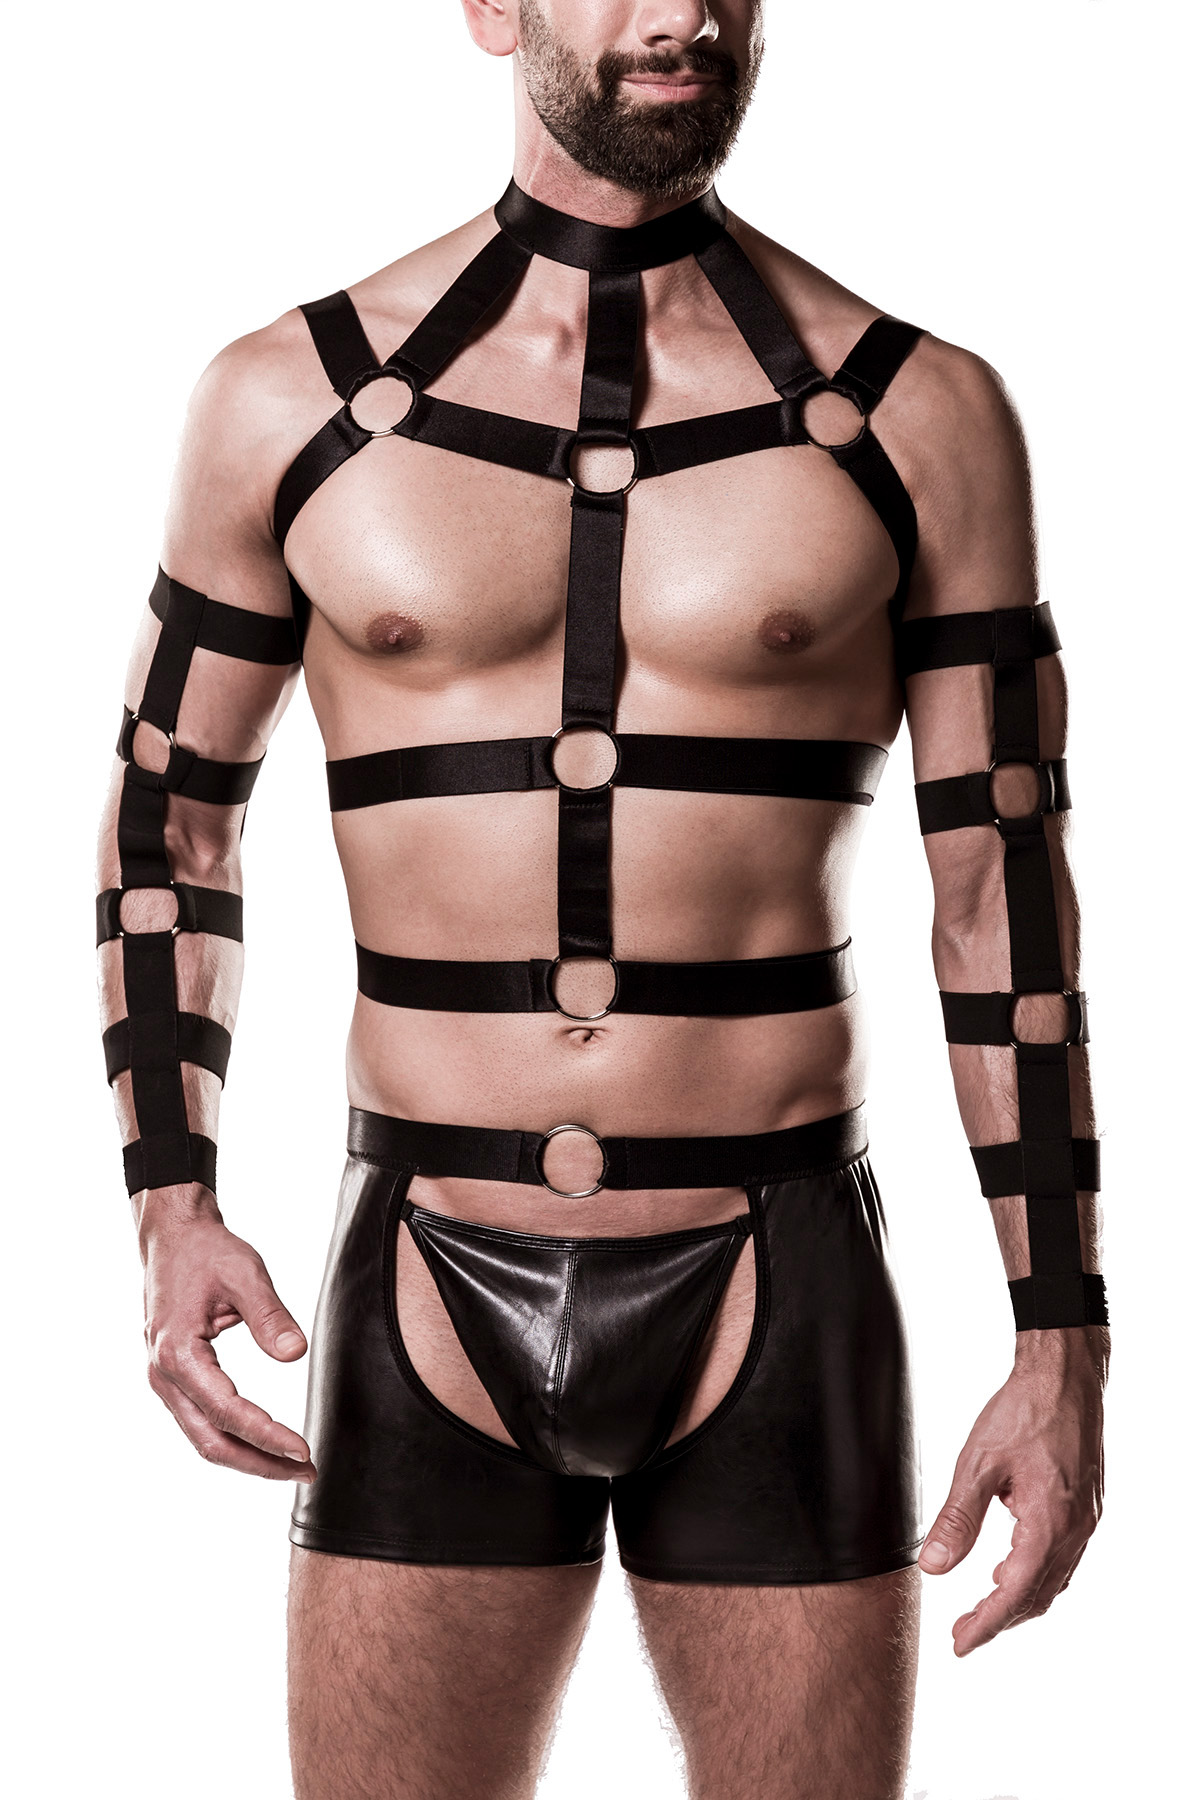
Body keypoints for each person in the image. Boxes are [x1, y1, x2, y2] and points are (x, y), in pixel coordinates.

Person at [95, 3, 1109, 1795]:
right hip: (423, 1263)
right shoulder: (289, 398)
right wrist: (172, 1209)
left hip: (777, 1269)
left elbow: (998, 894)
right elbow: (170, 829)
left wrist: (1062, 1341)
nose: (683, 13)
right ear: (492, 7)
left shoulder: (919, 411)